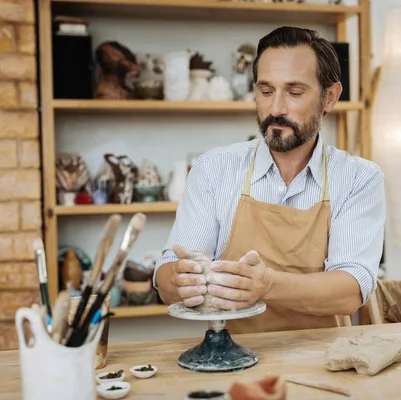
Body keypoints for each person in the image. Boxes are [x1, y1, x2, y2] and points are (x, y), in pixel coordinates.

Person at [154, 26, 386, 333]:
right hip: (232, 359)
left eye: (294, 92)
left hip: (326, 360)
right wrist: (178, 280)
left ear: (330, 97)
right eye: (265, 91)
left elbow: (352, 289)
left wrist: (267, 285)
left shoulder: (359, 178)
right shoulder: (214, 168)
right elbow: (167, 277)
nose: (276, 108)